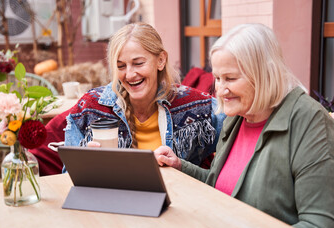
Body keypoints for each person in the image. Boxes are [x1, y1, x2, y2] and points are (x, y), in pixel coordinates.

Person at [155, 23, 334, 228]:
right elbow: (221, 186)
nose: (220, 90)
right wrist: (180, 165)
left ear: (265, 73)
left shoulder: (309, 121)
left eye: (230, 78)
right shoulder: (237, 117)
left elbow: (319, 227)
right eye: (218, 79)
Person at [64, 22, 226, 167]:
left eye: (138, 63)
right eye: (121, 66)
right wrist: (85, 165)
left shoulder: (196, 106)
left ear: (161, 60)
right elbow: (68, 175)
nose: (129, 74)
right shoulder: (90, 108)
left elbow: (237, 130)